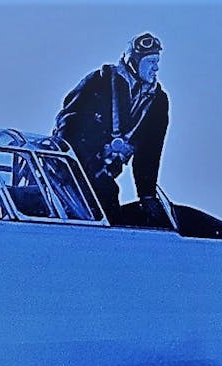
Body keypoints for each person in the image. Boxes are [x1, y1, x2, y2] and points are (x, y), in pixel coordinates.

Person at [54, 32, 170, 225]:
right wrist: (85, 165)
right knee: (102, 202)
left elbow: (150, 152)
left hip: (105, 177)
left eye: (157, 62)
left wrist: (147, 195)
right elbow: (68, 125)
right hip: (71, 171)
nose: (156, 67)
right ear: (134, 62)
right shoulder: (100, 81)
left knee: (113, 210)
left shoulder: (157, 102)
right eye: (150, 61)